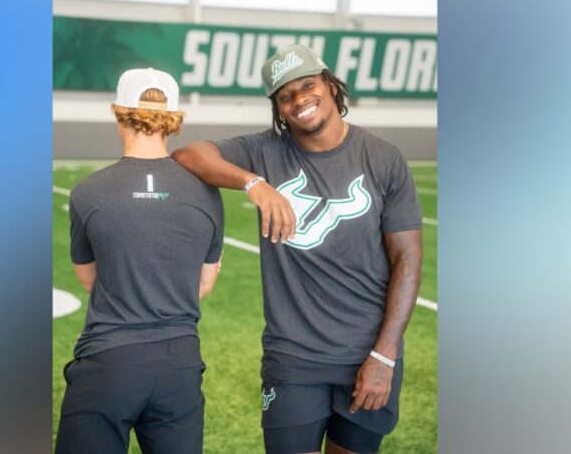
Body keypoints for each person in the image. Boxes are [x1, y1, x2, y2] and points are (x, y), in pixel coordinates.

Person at [172, 45, 423, 454]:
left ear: (330, 84)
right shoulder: (266, 151)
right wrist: (255, 184)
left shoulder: (383, 159)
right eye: (285, 96)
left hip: (367, 352)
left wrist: (385, 356)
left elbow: (407, 260)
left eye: (308, 86)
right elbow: (187, 154)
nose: (300, 100)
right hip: (293, 356)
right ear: (278, 108)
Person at [55, 68, 224, 454]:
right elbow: (204, 284)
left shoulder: (87, 192)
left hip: (109, 359)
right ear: (174, 119)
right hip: (180, 365)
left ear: (119, 114)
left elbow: (88, 280)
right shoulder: (208, 194)